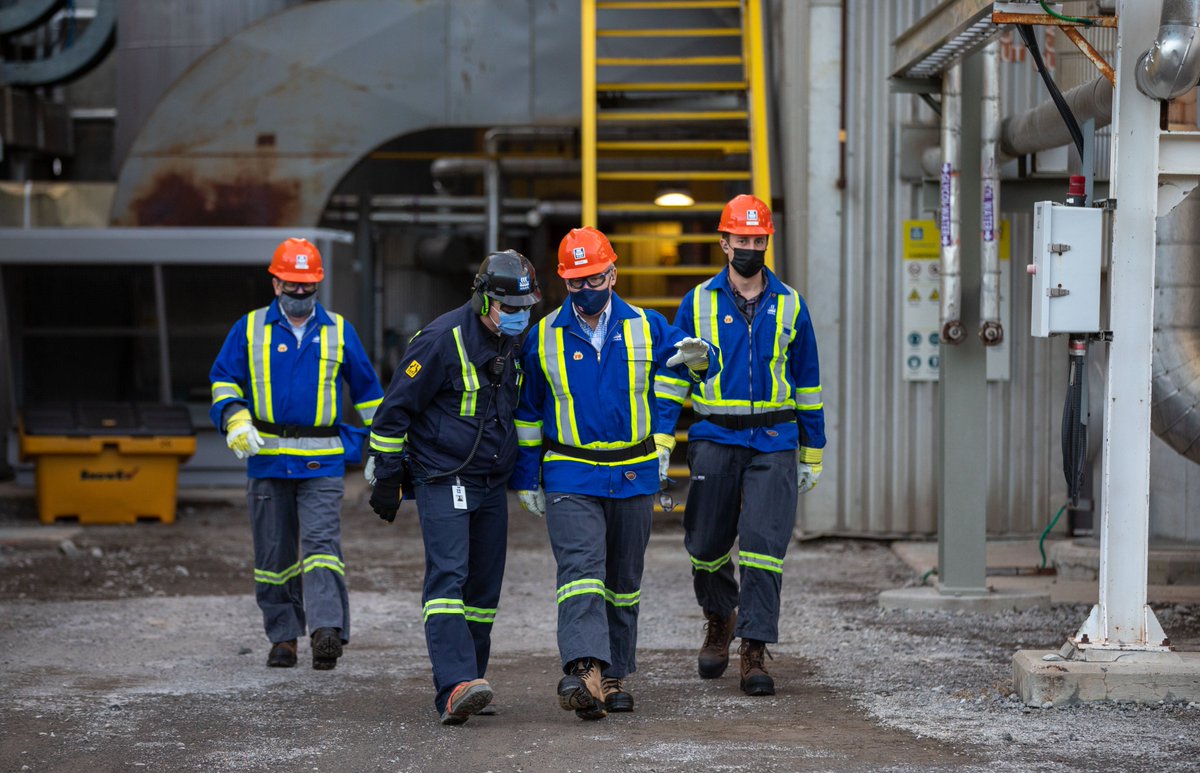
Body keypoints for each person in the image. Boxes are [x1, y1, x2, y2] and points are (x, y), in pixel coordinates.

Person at [512, 226, 717, 720]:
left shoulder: (649, 326)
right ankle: (584, 670)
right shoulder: (541, 336)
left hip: (631, 474)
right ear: (564, 280)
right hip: (570, 474)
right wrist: (525, 477)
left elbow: (699, 366)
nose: (587, 288)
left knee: (623, 580)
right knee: (581, 574)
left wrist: (704, 358)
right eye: (576, 281)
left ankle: (614, 674)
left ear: (613, 272)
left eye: (595, 277)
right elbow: (526, 413)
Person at [655, 194, 826, 696]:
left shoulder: (790, 304)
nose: (750, 247)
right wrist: (664, 437)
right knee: (706, 545)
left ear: (766, 241)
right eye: (741, 240)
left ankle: (753, 647)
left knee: (763, 548)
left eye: (758, 239)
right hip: (714, 436)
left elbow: (809, 383)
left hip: (775, 439)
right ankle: (719, 616)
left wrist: (812, 450)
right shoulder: (697, 303)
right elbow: (673, 379)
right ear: (724, 242)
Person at [365, 250, 541, 726]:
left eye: (527, 307)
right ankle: (455, 683)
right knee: (449, 578)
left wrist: (527, 474)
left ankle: (471, 682)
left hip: (491, 481)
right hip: (443, 475)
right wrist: (386, 473)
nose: (520, 316)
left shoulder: (515, 340)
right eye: (511, 307)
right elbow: (393, 411)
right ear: (484, 302)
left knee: (484, 592)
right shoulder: (440, 340)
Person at [209, 237, 384, 671]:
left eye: (307, 285)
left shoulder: (340, 331)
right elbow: (224, 380)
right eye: (292, 284)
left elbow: (369, 395)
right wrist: (234, 418)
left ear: (318, 284)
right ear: (275, 284)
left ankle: (326, 631)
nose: (300, 292)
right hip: (266, 458)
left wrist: (382, 447)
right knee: (273, 556)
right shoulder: (248, 329)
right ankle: (283, 637)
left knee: (322, 546)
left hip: (321, 461)